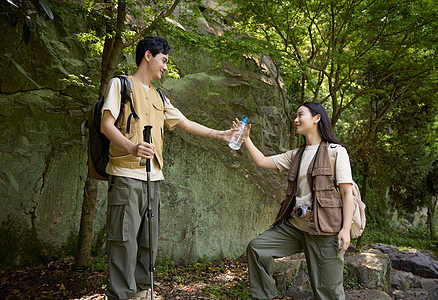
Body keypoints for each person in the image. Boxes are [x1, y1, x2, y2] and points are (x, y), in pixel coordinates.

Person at [100, 36, 234, 300]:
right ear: (148, 56)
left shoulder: (160, 97)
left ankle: (142, 291)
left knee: (148, 241)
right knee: (123, 242)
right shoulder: (121, 84)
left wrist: (222, 135)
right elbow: (106, 125)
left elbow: (187, 124)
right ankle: (121, 296)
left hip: (154, 179)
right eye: (164, 60)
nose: (165, 67)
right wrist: (131, 147)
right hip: (125, 176)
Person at [240, 102, 354, 300]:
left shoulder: (336, 152)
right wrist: (246, 139)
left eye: (300, 115)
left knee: (327, 291)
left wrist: (345, 229)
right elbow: (262, 161)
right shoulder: (296, 155)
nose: (295, 119)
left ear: (317, 118)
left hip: (325, 230)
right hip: (295, 227)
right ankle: (265, 296)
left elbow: (347, 194)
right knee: (257, 248)